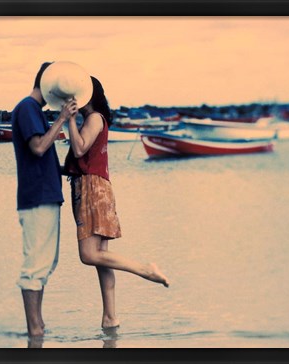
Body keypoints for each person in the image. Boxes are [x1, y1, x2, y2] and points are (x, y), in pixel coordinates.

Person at [63, 76, 170, 329]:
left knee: (89, 256)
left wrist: (69, 118)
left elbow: (79, 149)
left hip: (92, 189)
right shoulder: (95, 119)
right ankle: (110, 318)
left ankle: (145, 269)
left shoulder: (94, 118)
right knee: (101, 259)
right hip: (96, 187)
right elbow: (80, 159)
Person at [11, 62, 78, 338]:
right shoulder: (27, 107)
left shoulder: (35, 111)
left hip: (45, 195)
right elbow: (38, 147)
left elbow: (42, 154)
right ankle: (34, 328)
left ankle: (37, 328)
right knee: (35, 267)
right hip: (37, 197)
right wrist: (62, 119)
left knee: (46, 264)